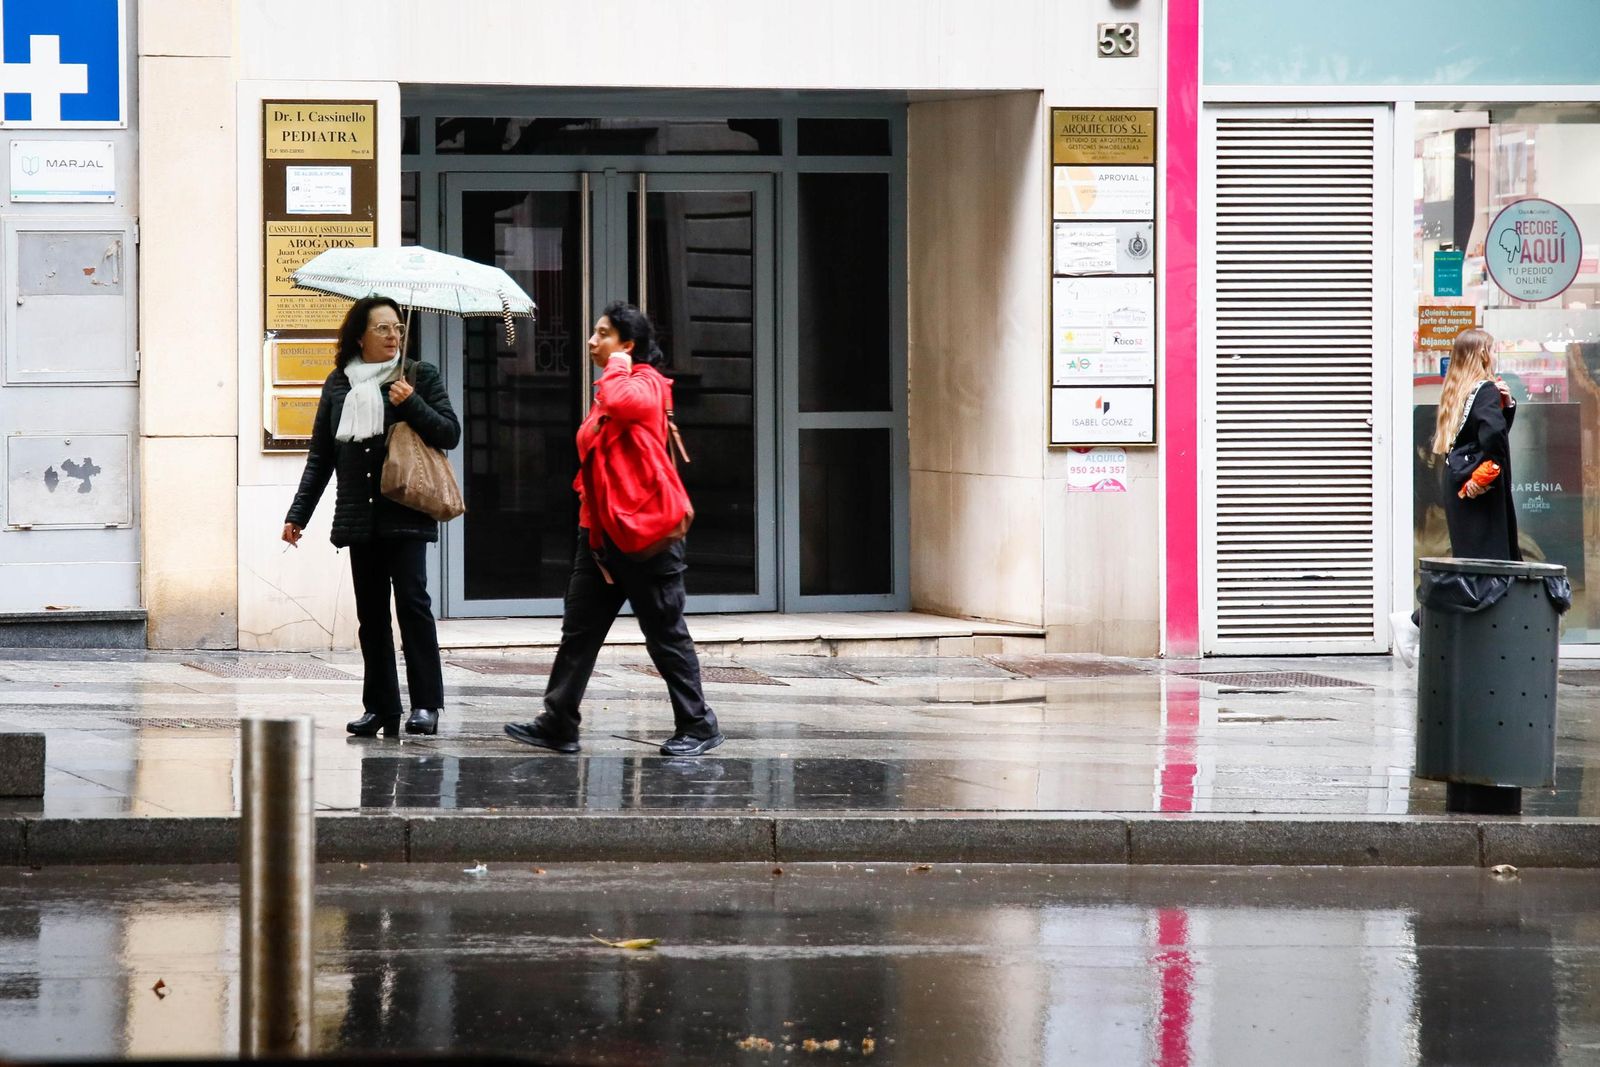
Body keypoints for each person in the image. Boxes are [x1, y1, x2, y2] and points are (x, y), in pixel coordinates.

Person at [505, 302, 724, 757]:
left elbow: (627, 404)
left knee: (665, 634)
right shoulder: (609, 389)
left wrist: (621, 365)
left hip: (647, 538)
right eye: (594, 333)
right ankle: (558, 721)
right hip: (601, 538)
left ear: (627, 344)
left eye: (602, 334)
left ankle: (698, 725)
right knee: (579, 632)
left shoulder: (646, 384)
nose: (591, 341)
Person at [282, 296, 461, 737]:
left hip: (406, 511)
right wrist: (298, 513)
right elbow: (321, 456)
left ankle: (426, 706)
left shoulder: (418, 375)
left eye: (397, 328)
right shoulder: (338, 384)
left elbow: (450, 433)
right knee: (371, 616)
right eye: (382, 328)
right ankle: (381, 706)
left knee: (414, 607)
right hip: (359, 516)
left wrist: (413, 403)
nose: (392, 336)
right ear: (359, 335)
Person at [1433, 328, 1519, 561]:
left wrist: (1507, 406)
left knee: (1469, 559)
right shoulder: (1485, 390)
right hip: (1479, 489)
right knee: (1490, 563)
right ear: (1482, 354)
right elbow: (1493, 438)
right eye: (1491, 350)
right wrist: (1485, 475)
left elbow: (1471, 438)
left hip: (1458, 482)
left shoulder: (1455, 391)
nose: (1494, 355)